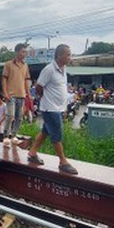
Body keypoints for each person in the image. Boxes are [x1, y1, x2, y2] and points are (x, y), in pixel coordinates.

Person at [26, 44, 77, 175]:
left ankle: (32, 153)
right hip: (50, 109)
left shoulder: (63, 69)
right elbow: (39, 86)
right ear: (59, 55)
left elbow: (60, 89)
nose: (70, 57)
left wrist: (64, 108)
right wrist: (45, 98)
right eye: (68, 54)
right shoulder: (49, 69)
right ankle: (63, 162)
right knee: (57, 135)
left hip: (58, 108)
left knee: (45, 132)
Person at [1, 43, 31, 147]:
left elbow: (26, 81)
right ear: (17, 52)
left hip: (21, 94)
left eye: (25, 52)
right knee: (10, 115)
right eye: (23, 51)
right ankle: (5, 136)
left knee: (19, 117)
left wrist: (29, 94)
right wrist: (5, 92)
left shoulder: (25, 65)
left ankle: (13, 135)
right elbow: (4, 79)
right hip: (11, 94)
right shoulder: (8, 64)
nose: (25, 54)